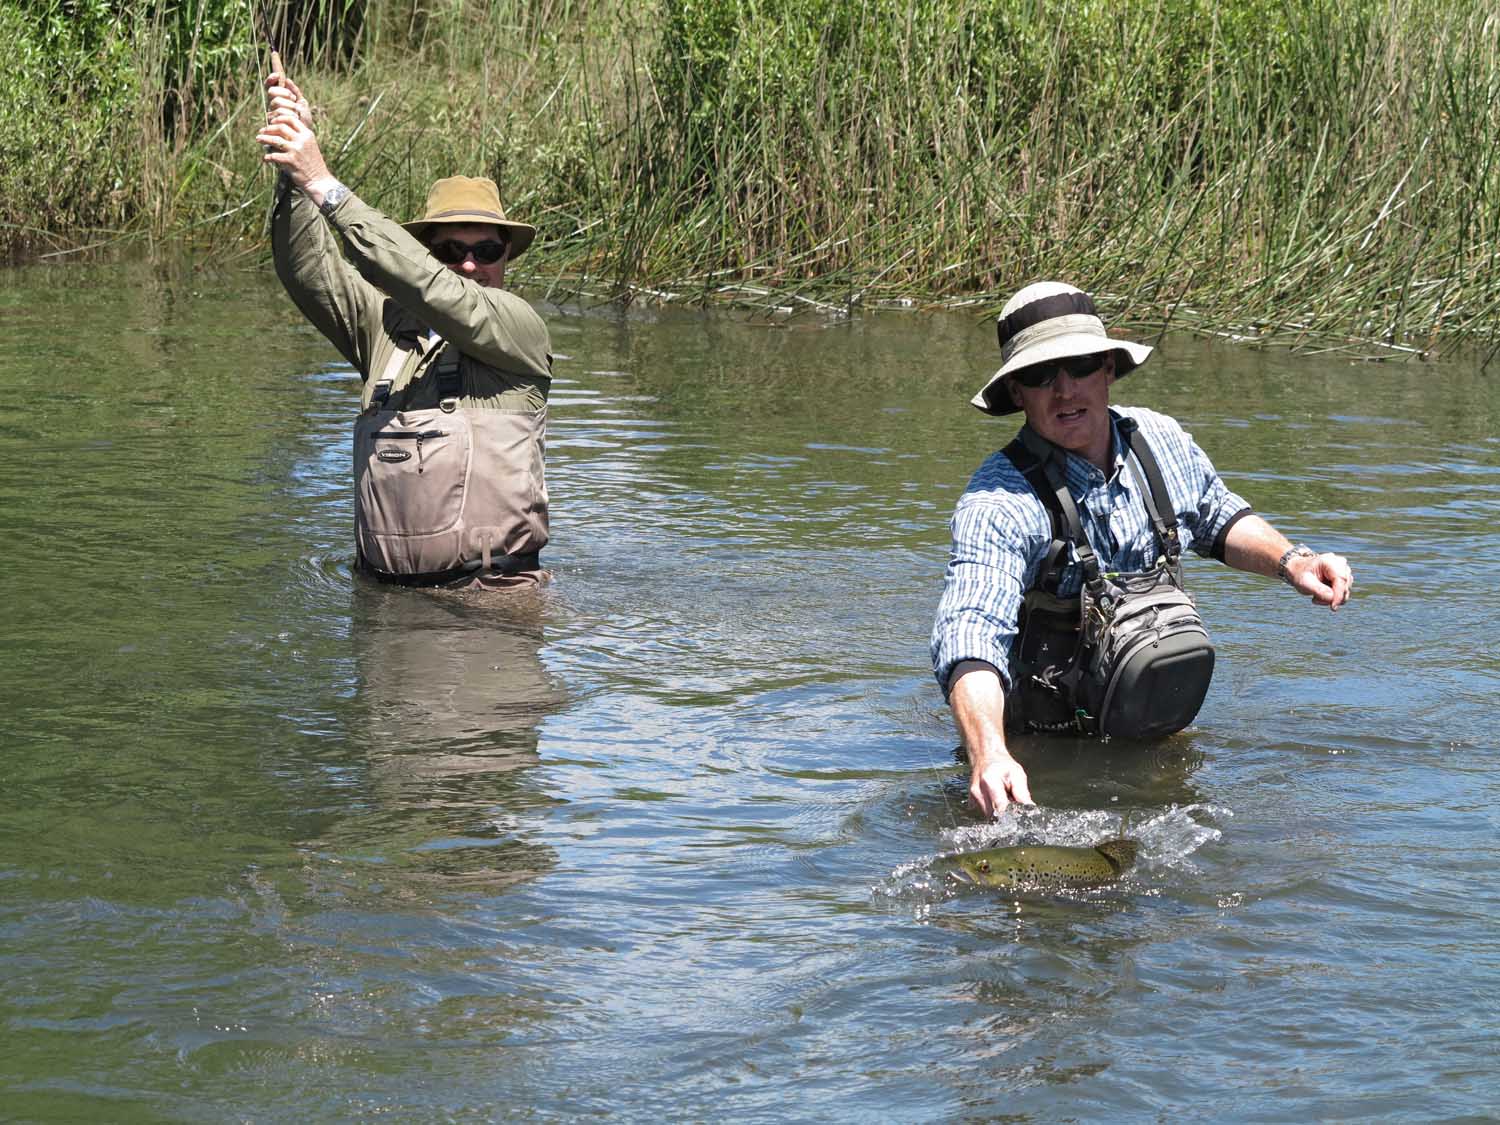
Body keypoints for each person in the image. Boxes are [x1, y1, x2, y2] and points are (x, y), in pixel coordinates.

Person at [931, 281, 1354, 818]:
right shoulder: (997, 501)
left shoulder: (1160, 438)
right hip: (1042, 757)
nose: (1064, 391)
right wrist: (990, 755)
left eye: (1079, 365)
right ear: (1017, 392)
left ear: (1107, 367)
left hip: (1155, 728)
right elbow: (970, 631)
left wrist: (1293, 562)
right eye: (1040, 376)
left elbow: (1218, 516)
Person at [257, 73, 552, 590]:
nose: (468, 265)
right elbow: (307, 269)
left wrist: (327, 183)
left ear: (506, 257)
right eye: (449, 251)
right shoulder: (385, 330)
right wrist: (294, 171)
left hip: (492, 614)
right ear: (426, 252)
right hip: (381, 611)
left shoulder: (520, 331)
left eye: (486, 251)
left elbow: (434, 288)